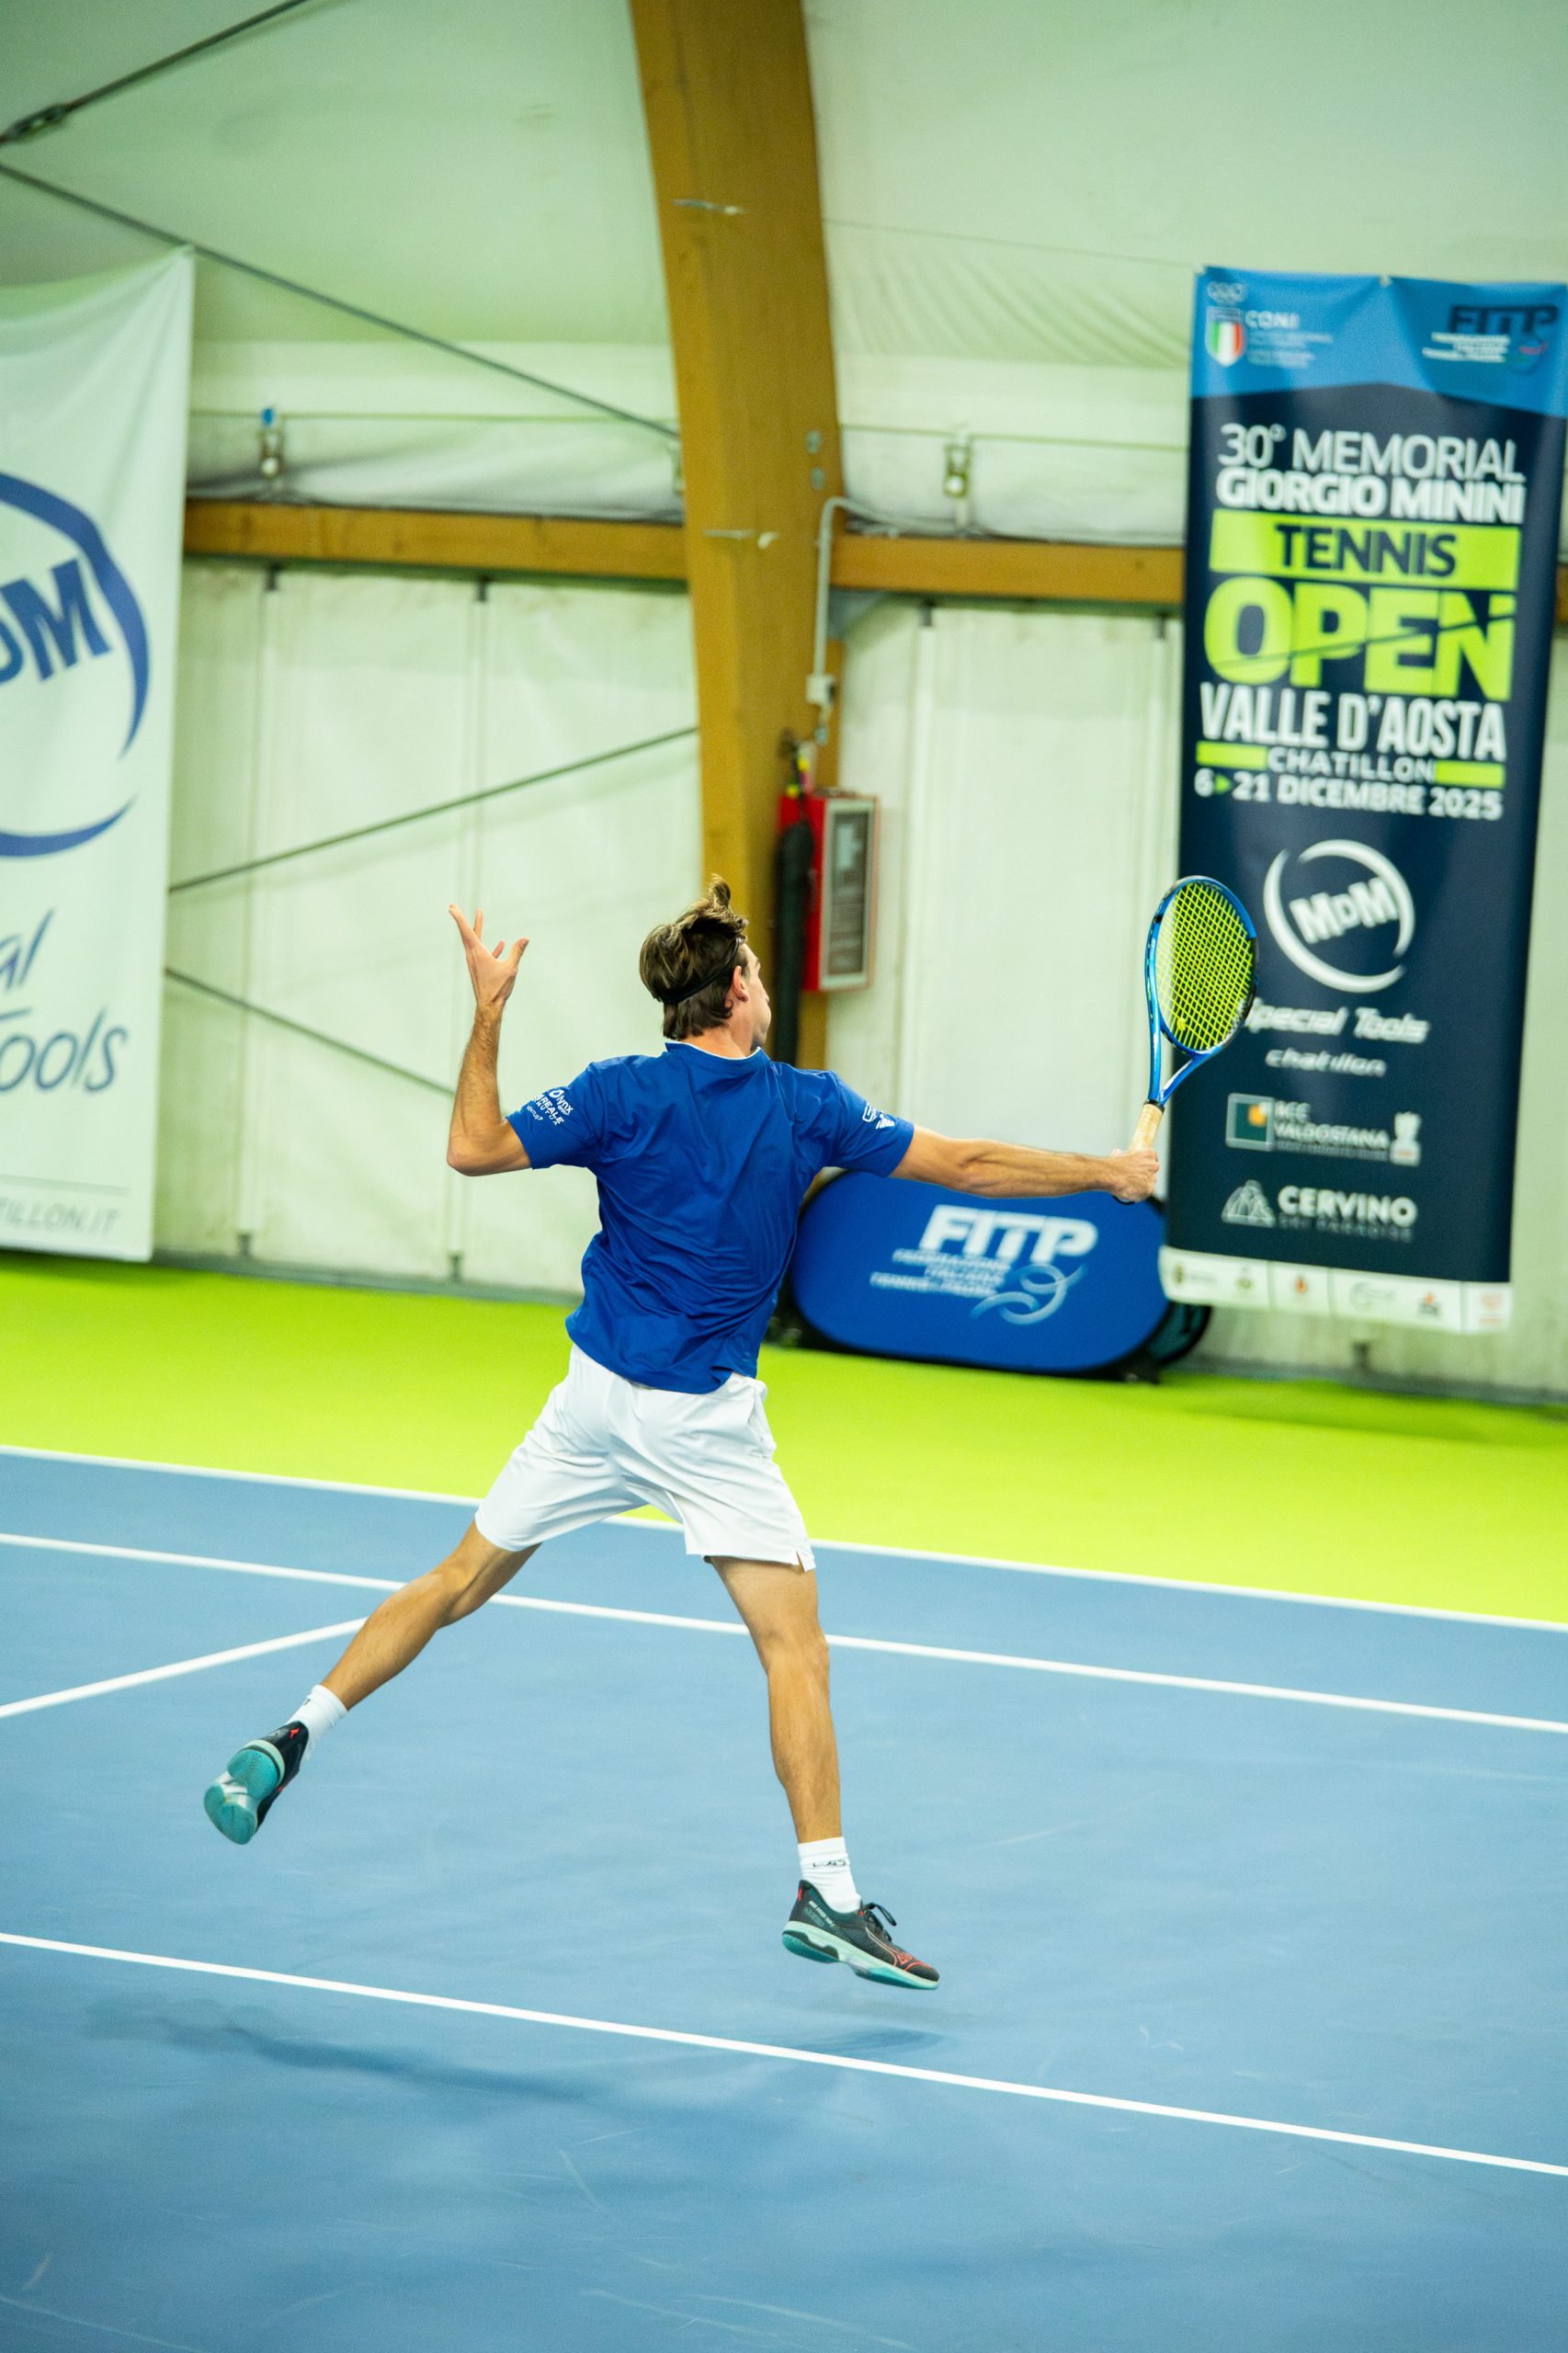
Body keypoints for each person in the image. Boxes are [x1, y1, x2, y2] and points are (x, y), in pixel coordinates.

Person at [204, 881, 1159, 1989]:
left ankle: (293, 1733)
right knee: (794, 1648)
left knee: (457, 1577)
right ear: (738, 992)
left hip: (592, 1402)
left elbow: (470, 1147)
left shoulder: (615, 1090)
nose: (763, 985)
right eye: (755, 970)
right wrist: (1105, 1173)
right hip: (703, 1424)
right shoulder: (804, 1106)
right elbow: (970, 1166)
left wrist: (490, 1011)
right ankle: (827, 1892)